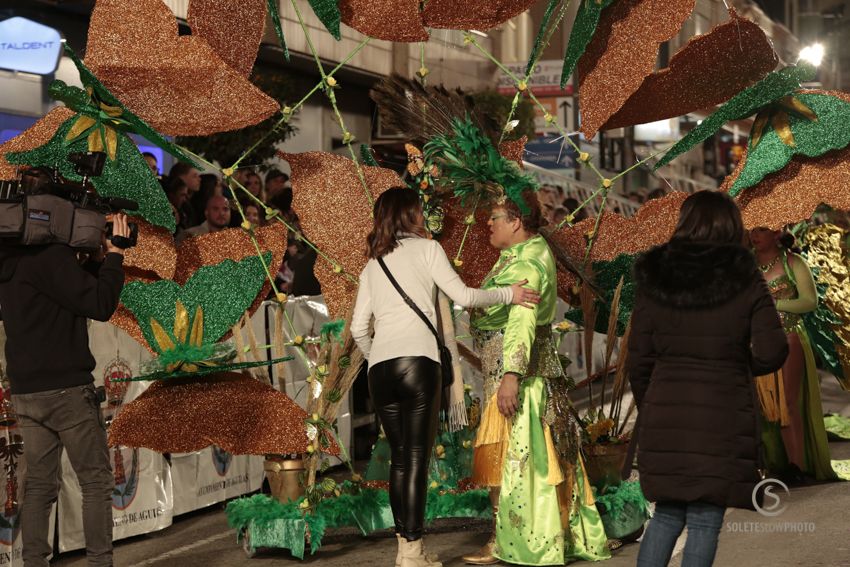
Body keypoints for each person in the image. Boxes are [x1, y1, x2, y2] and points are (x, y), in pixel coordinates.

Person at [350, 188, 539, 567]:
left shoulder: (372, 265)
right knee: (416, 458)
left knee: (399, 461)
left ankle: (407, 549)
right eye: (419, 211)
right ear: (410, 215)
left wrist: (378, 359)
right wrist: (510, 295)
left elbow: (358, 329)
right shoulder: (428, 250)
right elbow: (464, 297)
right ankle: (412, 551)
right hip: (418, 364)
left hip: (380, 371)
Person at [627, 191, 789, 567]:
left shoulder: (655, 277)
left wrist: (652, 402)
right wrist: (736, 364)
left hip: (666, 411)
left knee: (666, 516)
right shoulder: (746, 278)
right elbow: (773, 350)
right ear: (731, 227)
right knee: (704, 520)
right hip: (722, 414)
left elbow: (639, 356)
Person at [463, 189, 610, 566]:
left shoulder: (527, 261)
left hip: (520, 376)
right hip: (520, 372)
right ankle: (526, 537)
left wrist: (511, 374)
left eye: (495, 218)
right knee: (531, 458)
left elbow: (522, 319)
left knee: (514, 460)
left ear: (515, 222)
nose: (488, 224)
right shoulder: (524, 253)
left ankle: (512, 542)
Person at [0, 214, 132, 567]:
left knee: (40, 486)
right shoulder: (52, 258)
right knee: (95, 480)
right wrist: (116, 255)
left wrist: (93, 260)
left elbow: (62, 294)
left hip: (27, 391)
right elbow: (101, 304)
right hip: (66, 391)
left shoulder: (11, 258)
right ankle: (100, 562)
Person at [750, 227, 838, 482]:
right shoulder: (744, 263)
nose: (754, 235)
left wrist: (773, 304)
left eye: (762, 230)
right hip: (755, 342)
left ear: (777, 232)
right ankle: (769, 464)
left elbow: (810, 301)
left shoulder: (793, 262)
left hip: (789, 338)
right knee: (762, 405)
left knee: (787, 403)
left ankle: (796, 466)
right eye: (752, 229)